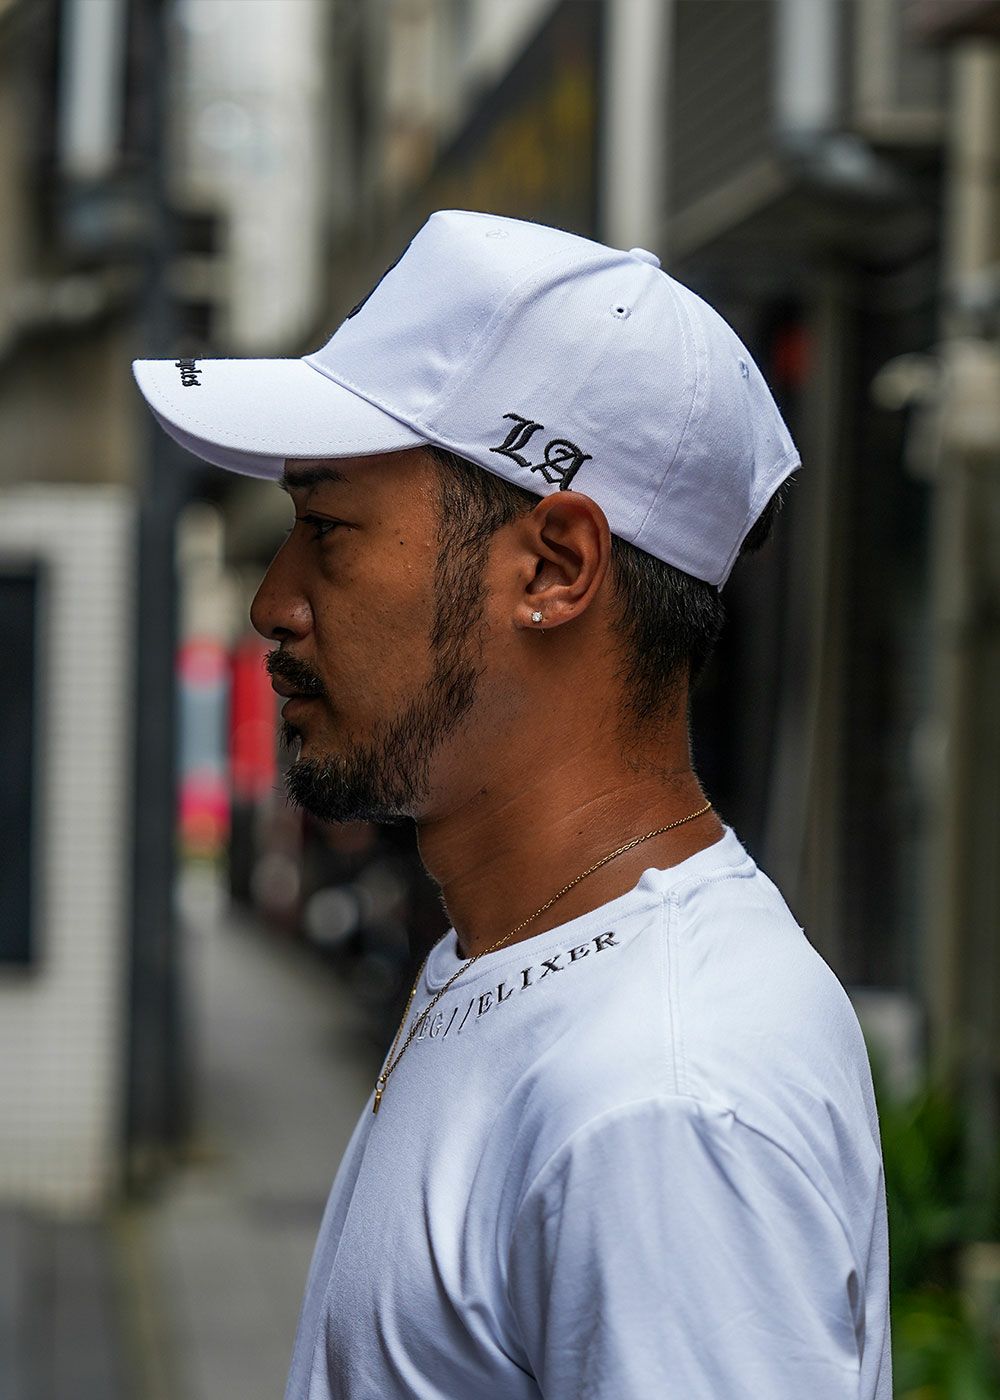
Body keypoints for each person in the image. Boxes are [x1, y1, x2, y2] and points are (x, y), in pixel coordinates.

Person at [134, 210, 891, 1399]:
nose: (273, 601)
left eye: (326, 529)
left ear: (553, 567)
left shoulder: (663, 1098)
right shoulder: (528, 962)